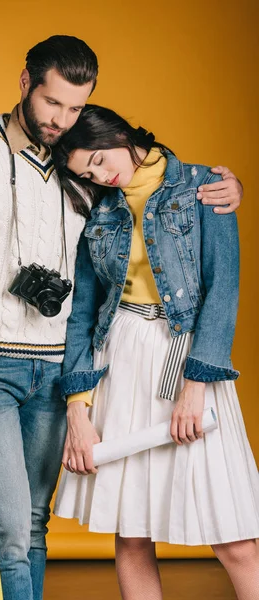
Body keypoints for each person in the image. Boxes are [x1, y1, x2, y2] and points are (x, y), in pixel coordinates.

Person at [0, 34, 243, 599]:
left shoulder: (78, 169)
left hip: (58, 368)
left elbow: (147, 189)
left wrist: (225, 185)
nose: (61, 119)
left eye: (76, 107)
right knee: (10, 531)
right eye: (52, 102)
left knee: (34, 528)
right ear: (25, 84)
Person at [52, 104, 259, 600]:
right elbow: (83, 311)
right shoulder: (98, 210)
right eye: (87, 173)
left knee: (235, 539)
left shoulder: (204, 185)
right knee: (132, 527)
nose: (102, 176)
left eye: (99, 160)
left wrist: (197, 386)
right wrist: (77, 409)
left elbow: (222, 288)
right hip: (120, 357)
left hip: (186, 357)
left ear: (120, 133)